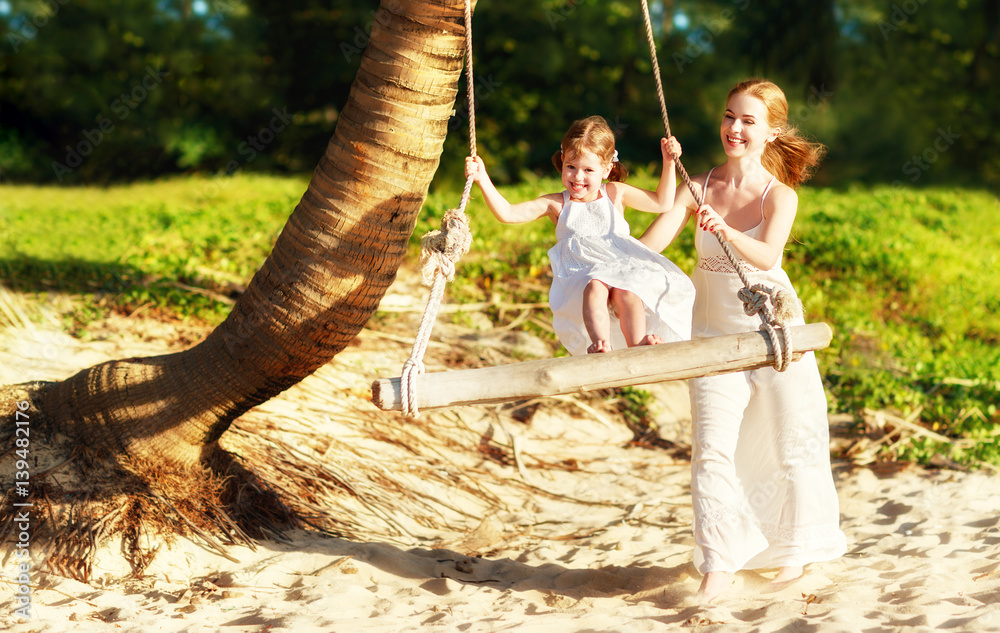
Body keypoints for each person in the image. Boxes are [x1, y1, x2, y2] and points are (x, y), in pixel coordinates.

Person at [640, 79, 847, 603]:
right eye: (730, 117)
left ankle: (794, 554)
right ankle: (717, 565)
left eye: (748, 121)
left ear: (771, 131)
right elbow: (650, 247)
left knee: (790, 446)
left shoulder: (781, 196)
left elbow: (769, 257)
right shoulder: (697, 186)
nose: (734, 129)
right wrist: (596, 246)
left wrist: (728, 231)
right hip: (712, 341)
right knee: (711, 452)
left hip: (776, 331)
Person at [465, 115, 695, 356]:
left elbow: (662, 202)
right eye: (571, 167)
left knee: (628, 292)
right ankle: (600, 343)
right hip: (583, 274)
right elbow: (508, 213)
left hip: (619, 266)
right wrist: (483, 179)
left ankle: (637, 343)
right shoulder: (558, 204)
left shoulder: (615, 193)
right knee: (595, 286)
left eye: (588, 170)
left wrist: (669, 163)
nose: (577, 177)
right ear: (562, 160)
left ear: (607, 169)